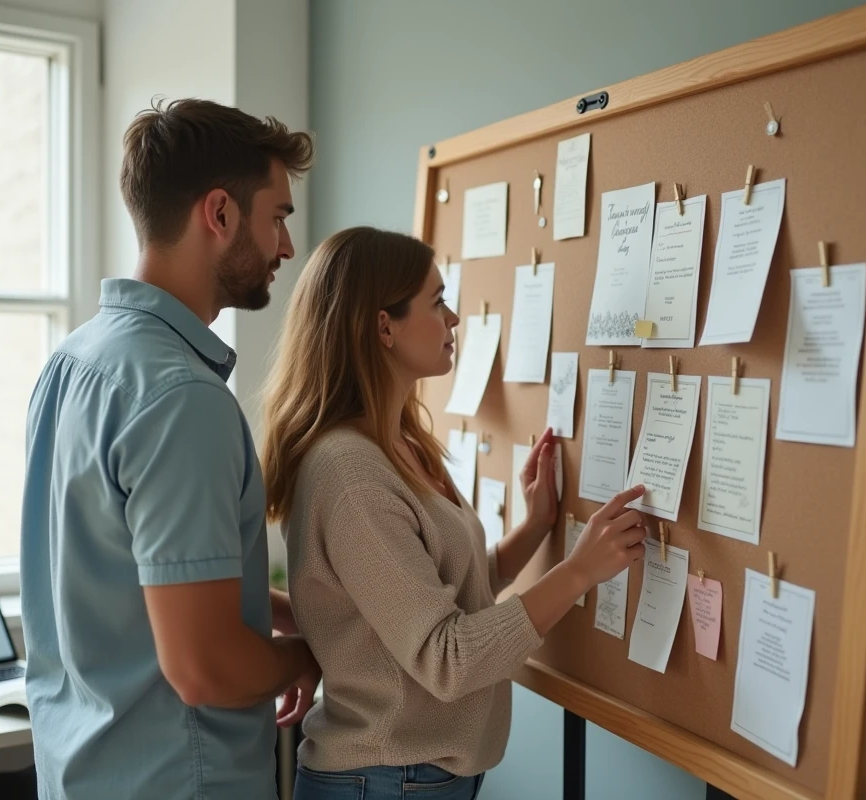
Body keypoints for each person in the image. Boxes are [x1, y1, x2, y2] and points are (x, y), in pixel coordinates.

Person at [262, 227, 650, 800]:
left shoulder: (400, 444)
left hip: (414, 781)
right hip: (382, 783)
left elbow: (445, 590)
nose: (454, 319)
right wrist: (577, 573)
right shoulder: (349, 473)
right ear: (383, 326)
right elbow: (449, 656)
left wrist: (534, 528)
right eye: (437, 301)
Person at [20, 99, 319, 799]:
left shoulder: (75, 362)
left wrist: (303, 611)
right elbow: (204, 665)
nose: (286, 247)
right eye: (278, 216)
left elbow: (139, 579)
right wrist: (300, 658)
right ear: (219, 213)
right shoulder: (181, 399)